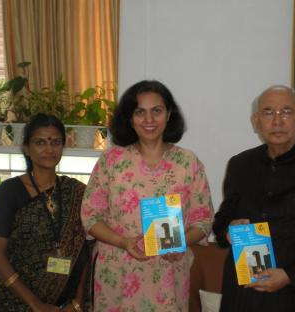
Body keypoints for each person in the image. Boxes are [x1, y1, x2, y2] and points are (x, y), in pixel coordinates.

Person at [81, 80, 214, 311]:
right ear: (129, 118)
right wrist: (123, 241)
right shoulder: (111, 161)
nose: (149, 120)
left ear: (169, 114)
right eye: (140, 112)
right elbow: (90, 216)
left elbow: (203, 219)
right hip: (118, 274)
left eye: (157, 111)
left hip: (169, 275)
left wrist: (180, 242)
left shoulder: (188, 163)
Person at [213, 85, 295, 311]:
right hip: (243, 295)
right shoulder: (239, 165)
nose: (277, 121)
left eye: (286, 112)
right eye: (268, 112)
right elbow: (222, 218)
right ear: (256, 121)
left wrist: (289, 276)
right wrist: (227, 229)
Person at [0, 113, 92, 312]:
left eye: (55, 142)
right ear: (26, 148)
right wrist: (35, 304)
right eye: (40, 142)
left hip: (66, 306)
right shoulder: (10, 191)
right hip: (17, 303)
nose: (49, 149)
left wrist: (78, 302)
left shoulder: (77, 192)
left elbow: (89, 250)